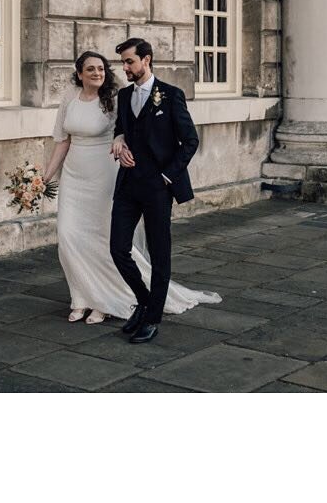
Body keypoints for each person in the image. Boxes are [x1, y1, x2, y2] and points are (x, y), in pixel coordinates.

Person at [41, 49, 220, 329]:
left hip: (106, 174)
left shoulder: (116, 97)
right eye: (90, 69)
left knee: (104, 240)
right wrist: (45, 177)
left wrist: (153, 168)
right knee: (68, 236)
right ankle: (81, 297)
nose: (98, 73)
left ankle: (105, 301)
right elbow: (62, 140)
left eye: (101, 68)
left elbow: (135, 132)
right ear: (79, 74)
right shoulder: (69, 99)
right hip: (74, 177)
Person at [110, 37, 214, 344]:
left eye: (129, 61)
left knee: (159, 253)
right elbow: (122, 126)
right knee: (118, 249)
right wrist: (118, 139)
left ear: (146, 60)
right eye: (123, 63)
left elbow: (190, 141)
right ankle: (144, 300)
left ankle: (152, 317)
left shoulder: (170, 95)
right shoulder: (125, 95)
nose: (125, 68)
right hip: (128, 185)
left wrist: (168, 176)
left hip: (158, 188)